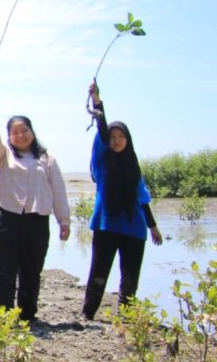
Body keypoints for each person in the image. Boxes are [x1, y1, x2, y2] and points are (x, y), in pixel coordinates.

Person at [0, 93, 70, 321]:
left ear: (32, 132)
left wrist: (64, 221)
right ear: (9, 136)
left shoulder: (47, 159)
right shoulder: (3, 156)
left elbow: (58, 190)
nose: (20, 135)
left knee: (32, 269)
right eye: (14, 132)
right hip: (5, 217)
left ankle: (27, 314)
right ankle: (0, 315)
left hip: (36, 219)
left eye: (24, 131)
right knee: (2, 269)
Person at [81, 82, 163, 320]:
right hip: (107, 226)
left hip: (134, 228)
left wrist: (153, 226)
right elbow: (102, 130)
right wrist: (97, 101)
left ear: (128, 140)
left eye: (121, 137)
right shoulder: (102, 162)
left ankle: (125, 318)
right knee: (99, 272)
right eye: (113, 137)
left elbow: (142, 199)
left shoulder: (133, 167)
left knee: (130, 277)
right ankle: (87, 314)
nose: (116, 140)